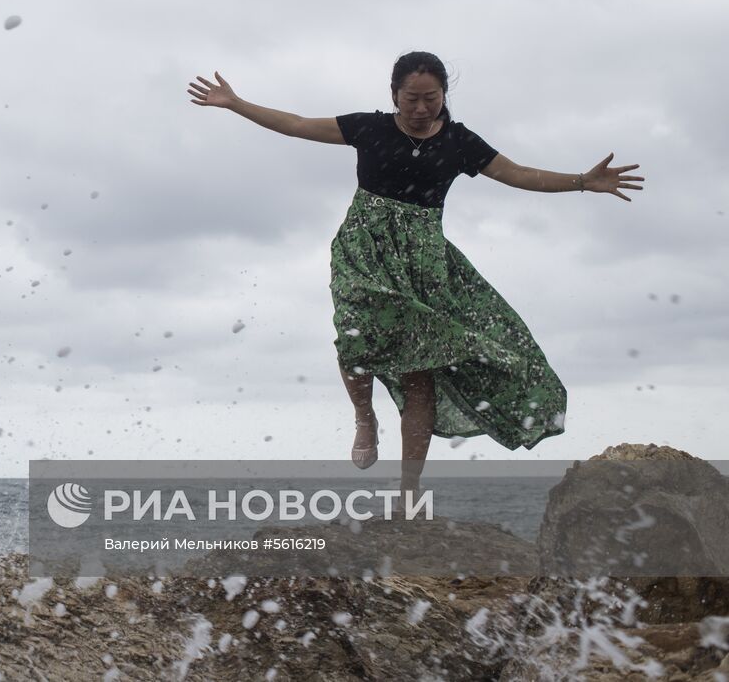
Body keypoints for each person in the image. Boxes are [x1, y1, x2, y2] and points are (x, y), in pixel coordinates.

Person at [186, 51, 644, 499]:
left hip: (423, 262)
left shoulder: (459, 142)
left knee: (419, 373)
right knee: (354, 338)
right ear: (394, 95)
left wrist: (583, 181)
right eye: (412, 99)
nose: (422, 108)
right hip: (363, 248)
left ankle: (408, 491)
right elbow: (299, 124)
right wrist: (238, 103)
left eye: (432, 98)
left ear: (444, 95)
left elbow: (517, 173)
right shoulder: (369, 127)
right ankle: (365, 417)